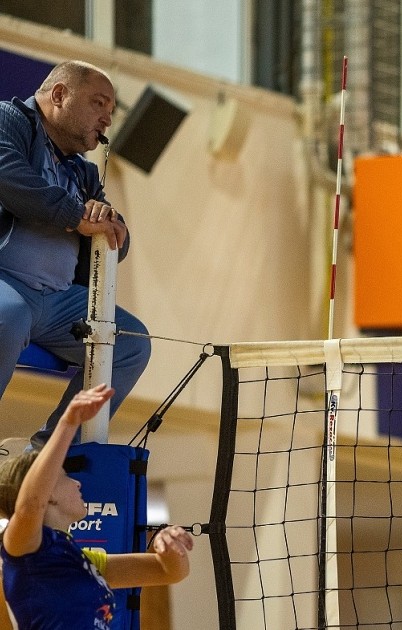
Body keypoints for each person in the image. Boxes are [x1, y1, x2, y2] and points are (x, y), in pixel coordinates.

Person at [0, 60, 151, 446]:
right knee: (9, 316)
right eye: (98, 103)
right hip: (6, 283)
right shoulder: (8, 120)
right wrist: (76, 215)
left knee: (131, 342)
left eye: (111, 111)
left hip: (57, 301)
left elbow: (115, 241)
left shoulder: (83, 172)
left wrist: (112, 223)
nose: (107, 120)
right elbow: (8, 177)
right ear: (59, 95)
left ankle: (47, 456)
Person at [0, 384, 193, 628]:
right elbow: (29, 505)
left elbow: (168, 572)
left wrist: (170, 549)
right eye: (65, 476)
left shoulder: (79, 559)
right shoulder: (22, 549)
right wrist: (68, 423)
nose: (77, 483)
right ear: (48, 494)